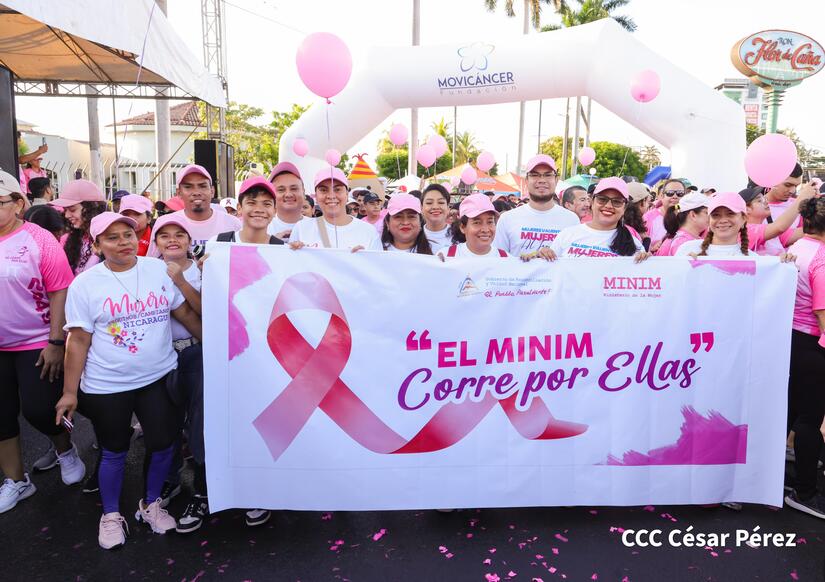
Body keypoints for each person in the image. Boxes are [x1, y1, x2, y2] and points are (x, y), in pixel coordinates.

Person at [55, 212, 202, 550]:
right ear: (97, 245)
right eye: (112, 237)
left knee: (163, 444)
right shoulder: (85, 284)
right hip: (108, 384)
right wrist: (69, 392)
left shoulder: (157, 270)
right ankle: (110, 515)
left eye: (128, 235)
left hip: (158, 376)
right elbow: (78, 340)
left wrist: (219, 350)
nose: (123, 242)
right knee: (114, 450)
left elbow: (184, 314)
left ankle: (151, 504)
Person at [0, 170, 85, 514]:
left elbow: (60, 290)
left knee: (40, 409)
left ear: (18, 204)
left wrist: (55, 341)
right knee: (2, 416)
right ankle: (17, 481)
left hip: (36, 341)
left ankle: (65, 450)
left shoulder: (38, 239)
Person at [149, 214, 208, 533]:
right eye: (164, 235)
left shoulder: (204, 268)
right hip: (161, 355)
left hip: (197, 351)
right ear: (156, 243)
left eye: (179, 234)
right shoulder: (146, 270)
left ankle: (202, 487)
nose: (172, 240)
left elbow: (207, 311)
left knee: (199, 422)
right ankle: (169, 479)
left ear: (189, 241)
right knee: (165, 420)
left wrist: (181, 281)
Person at [784, 197, 825, 519]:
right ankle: (805, 492)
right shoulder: (821, 260)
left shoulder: (798, 247)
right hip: (813, 344)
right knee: (810, 420)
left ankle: (779, 478)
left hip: (792, 339)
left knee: (792, 413)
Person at [493, 154, 580, 258]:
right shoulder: (507, 219)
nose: (542, 180)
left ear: (556, 180)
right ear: (526, 180)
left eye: (548, 175)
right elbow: (499, 260)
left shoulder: (572, 220)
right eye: (535, 175)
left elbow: (574, 261)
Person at [146, 165, 240, 256]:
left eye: (202, 186)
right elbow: (152, 263)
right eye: (188, 187)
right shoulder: (164, 223)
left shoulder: (233, 223)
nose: (196, 192)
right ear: (179, 193)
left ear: (212, 191)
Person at [550, 177, 648, 261]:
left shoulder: (635, 246)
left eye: (617, 202)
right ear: (592, 202)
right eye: (602, 199)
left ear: (624, 208)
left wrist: (647, 262)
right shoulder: (567, 235)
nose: (608, 206)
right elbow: (550, 270)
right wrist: (544, 255)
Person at [289, 168, 382, 251]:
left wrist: (363, 260)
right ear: (316, 196)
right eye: (323, 190)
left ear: (346, 194)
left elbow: (377, 264)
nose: (331, 196)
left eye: (337, 189)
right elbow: (291, 263)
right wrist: (296, 253)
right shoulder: (301, 228)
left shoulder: (369, 232)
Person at [50, 179, 108, 275]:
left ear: (91, 209)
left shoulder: (109, 238)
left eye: (72, 210)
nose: (66, 215)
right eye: (65, 210)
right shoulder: (69, 238)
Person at [740, 185, 814, 255]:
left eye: (764, 199)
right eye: (759, 201)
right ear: (747, 209)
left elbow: (807, 231)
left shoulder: (770, 231)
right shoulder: (746, 230)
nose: (766, 202)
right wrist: (802, 198)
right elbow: (780, 227)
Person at [212, 177, 284, 246]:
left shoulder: (282, 250)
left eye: (267, 204)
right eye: (251, 203)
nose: (259, 209)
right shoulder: (217, 244)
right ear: (239, 208)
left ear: (275, 210)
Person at [445, 193, 508, 258]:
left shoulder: (507, 260)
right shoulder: (444, 258)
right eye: (477, 223)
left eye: (490, 222)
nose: (485, 230)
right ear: (462, 227)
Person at [655, 192, 710, 256]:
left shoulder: (682, 238)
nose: (710, 216)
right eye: (707, 212)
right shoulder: (683, 242)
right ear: (693, 215)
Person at [266, 162, 306, 240]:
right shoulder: (262, 229)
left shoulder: (320, 228)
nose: (288, 194)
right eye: (281, 190)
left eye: (294, 189)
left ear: (303, 192)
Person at [644, 178, 686, 249]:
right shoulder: (648, 218)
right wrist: (651, 249)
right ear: (662, 196)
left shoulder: (689, 217)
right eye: (670, 193)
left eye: (680, 193)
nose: (675, 196)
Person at [421, 184, 452, 252]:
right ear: (421, 208)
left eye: (441, 202)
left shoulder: (459, 236)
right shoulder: (413, 236)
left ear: (448, 208)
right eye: (429, 203)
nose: (435, 207)